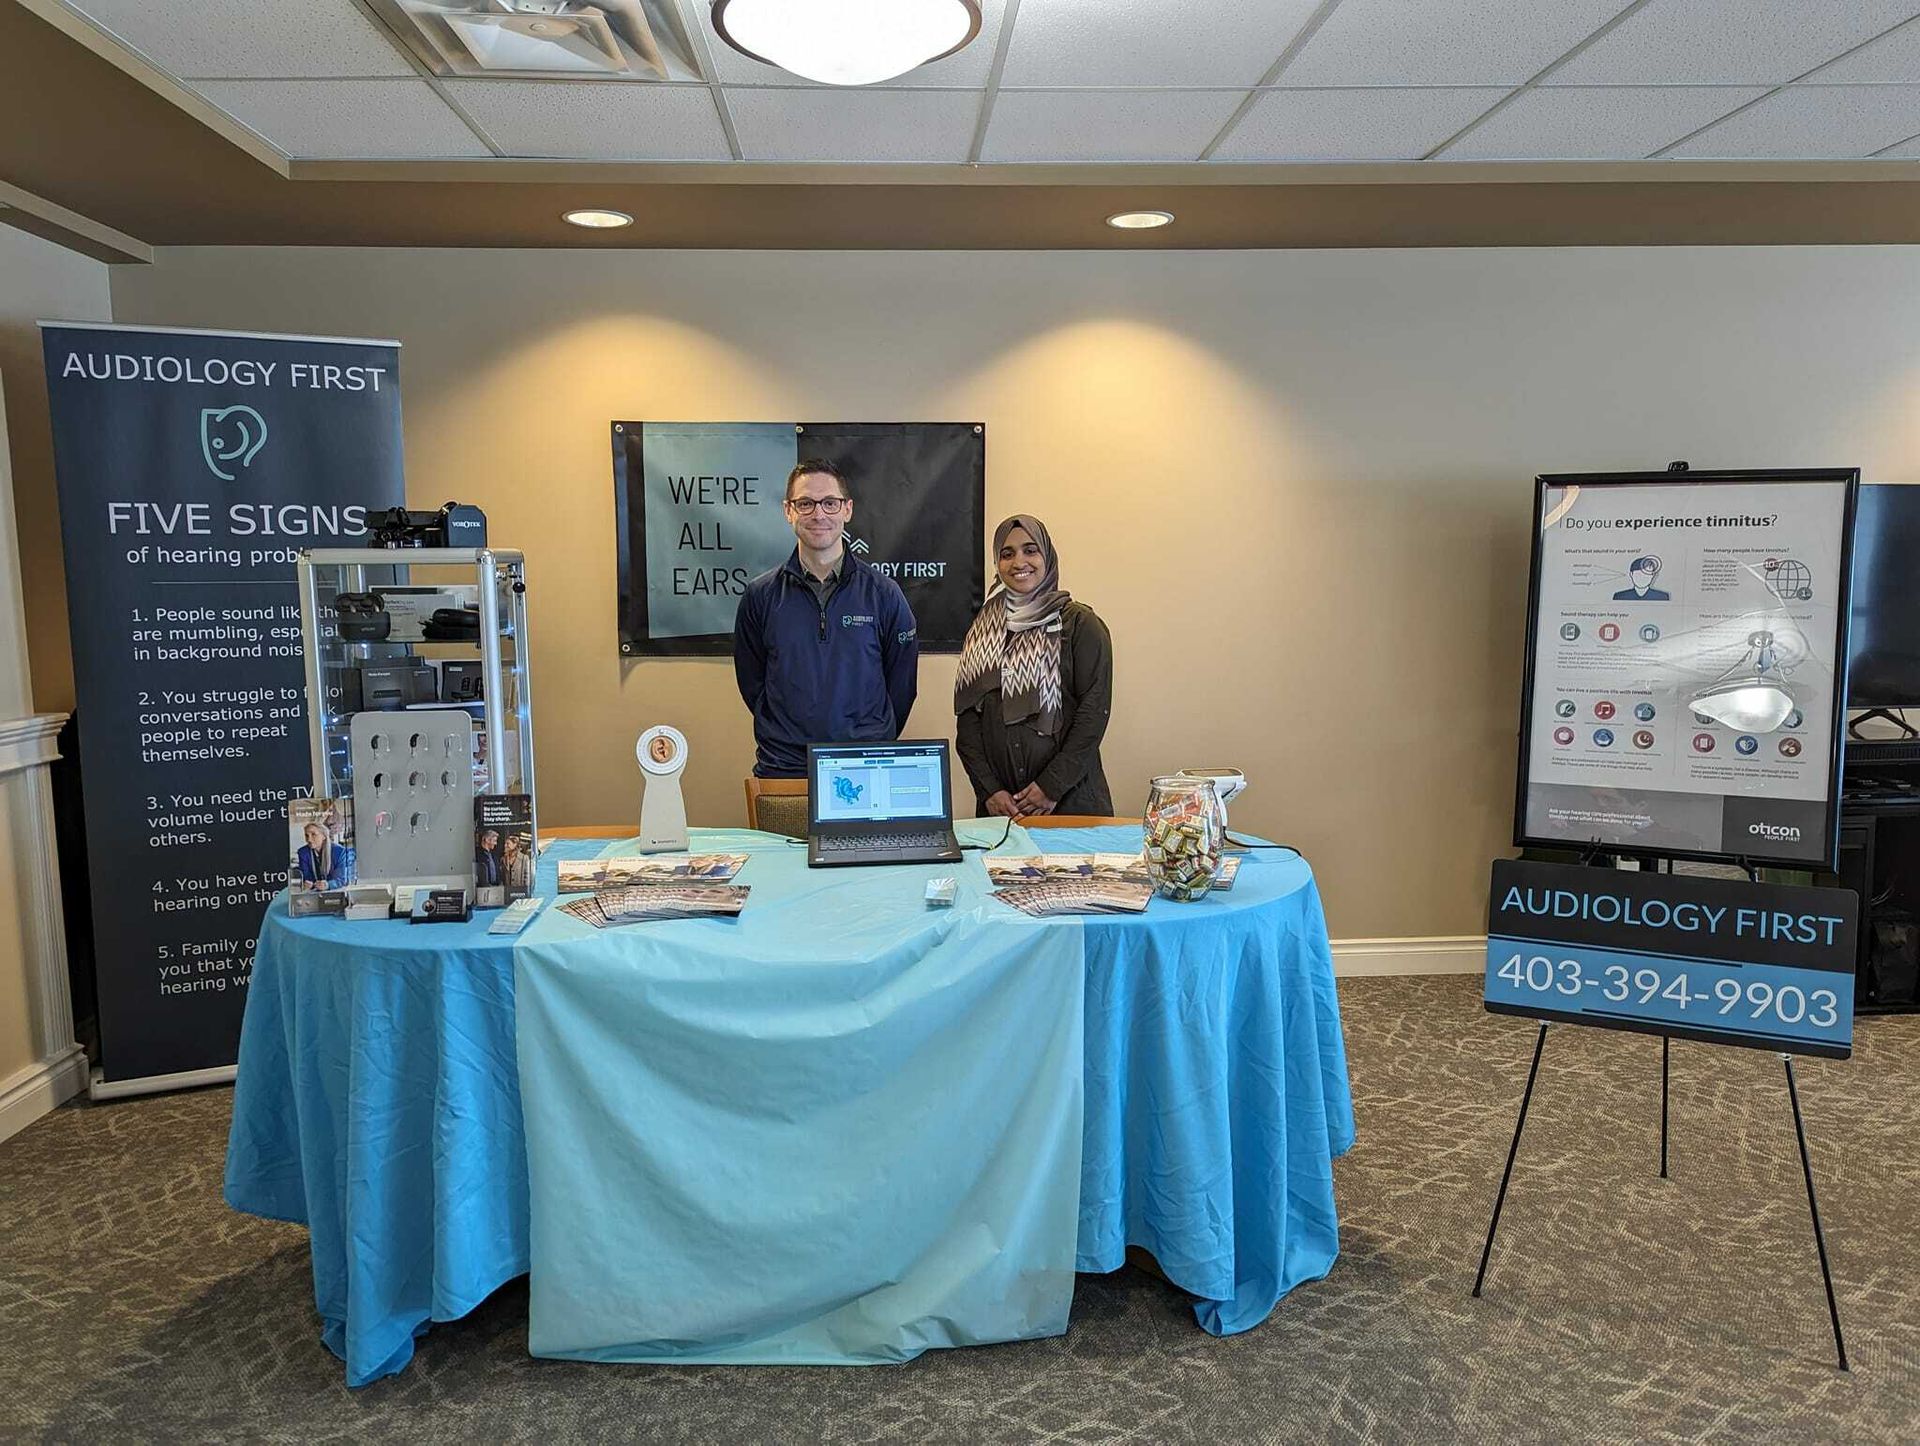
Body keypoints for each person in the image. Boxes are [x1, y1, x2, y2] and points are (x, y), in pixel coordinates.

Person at [733, 459, 919, 778]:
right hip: (784, 768)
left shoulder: (885, 594)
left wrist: (871, 737)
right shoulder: (759, 596)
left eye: (830, 503)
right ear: (788, 511)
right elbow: (752, 683)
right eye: (805, 503)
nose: (819, 514)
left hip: (865, 764)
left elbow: (902, 687)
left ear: (847, 510)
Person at [954, 514, 1113, 819]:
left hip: (1071, 803)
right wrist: (989, 791)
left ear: (1047, 555)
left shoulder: (1080, 625)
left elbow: (1093, 715)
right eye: (1007, 553)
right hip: (1002, 812)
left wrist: (1050, 787)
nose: (1019, 562)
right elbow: (968, 723)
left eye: (1030, 550)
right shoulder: (982, 632)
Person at [296, 820, 351, 890]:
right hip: (313, 892)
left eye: (313, 834)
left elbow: (342, 879)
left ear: (324, 836)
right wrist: (307, 883)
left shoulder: (339, 852)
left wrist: (328, 885)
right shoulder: (303, 852)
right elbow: (306, 876)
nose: (309, 839)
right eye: (307, 835)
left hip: (335, 891)